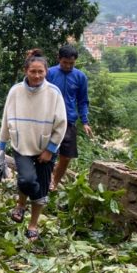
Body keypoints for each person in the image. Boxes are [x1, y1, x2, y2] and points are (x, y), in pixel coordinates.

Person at [0, 49, 67, 241]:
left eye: (41, 72)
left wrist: (51, 149)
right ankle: (20, 205)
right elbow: (6, 117)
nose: (37, 76)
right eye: (33, 71)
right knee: (27, 180)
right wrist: (1, 144)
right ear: (25, 71)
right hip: (21, 144)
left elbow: (62, 124)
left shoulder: (53, 93)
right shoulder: (15, 91)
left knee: (42, 186)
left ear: (46, 72)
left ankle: (33, 224)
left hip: (46, 148)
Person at [46, 44, 93, 191]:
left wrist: (85, 121)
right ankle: (44, 182)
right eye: (65, 62)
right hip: (48, 121)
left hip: (68, 121)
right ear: (59, 59)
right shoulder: (49, 73)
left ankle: (54, 182)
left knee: (66, 157)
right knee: (47, 154)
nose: (68, 66)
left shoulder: (80, 77)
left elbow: (83, 101)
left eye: (71, 63)